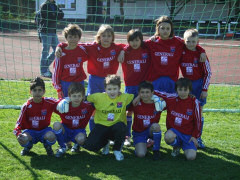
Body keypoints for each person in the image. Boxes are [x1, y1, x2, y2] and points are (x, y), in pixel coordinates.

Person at [55, 24, 124, 131]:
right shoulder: (91, 47)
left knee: (111, 105)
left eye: (109, 36)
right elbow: (73, 44)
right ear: (99, 37)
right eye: (103, 36)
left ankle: (109, 131)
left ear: (113, 38)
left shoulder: (117, 47)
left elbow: (127, 46)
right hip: (95, 80)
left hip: (110, 81)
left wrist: (123, 51)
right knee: (93, 107)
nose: (106, 38)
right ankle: (93, 132)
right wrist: (59, 46)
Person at [145, 16, 206, 93]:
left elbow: (191, 43)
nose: (165, 31)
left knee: (170, 103)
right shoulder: (152, 42)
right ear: (158, 29)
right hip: (155, 80)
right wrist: (124, 50)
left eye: (168, 28)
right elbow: (136, 44)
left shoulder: (178, 42)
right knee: (156, 103)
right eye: (162, 28)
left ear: (171, 29)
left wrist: (202, 51)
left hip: (172, 81)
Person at [82, 75, 134, 161]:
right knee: (89, 146)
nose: (112, 92)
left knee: (120, 126)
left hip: (116, 128)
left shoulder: (125, 97)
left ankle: (117, 150)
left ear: (119, 89)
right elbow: (83, 98)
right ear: (105, 89)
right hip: (101, 126)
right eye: (109, 89)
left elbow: (138, 97)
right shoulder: (98, 97)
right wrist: (67, 100)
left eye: (115, 89)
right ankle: (105, 142)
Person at [154, 78, 202, 160]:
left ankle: (185, 145)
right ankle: (176, 146)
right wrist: (149, 89)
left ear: (189, 90)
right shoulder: (171, 98)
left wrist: (195, 136)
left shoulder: (194, 102)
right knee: (168, 137)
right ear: (176, 90)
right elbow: (160, 94)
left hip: (188, 135)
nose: (182, 92)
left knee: (191, 157)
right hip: (175, 132)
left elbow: (198, 121)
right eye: (180, 89)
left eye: (185, 90)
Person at [180, 29, 212, 149]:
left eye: (193, 41)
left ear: (198, 41)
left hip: (198, 85)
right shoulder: (181, 50)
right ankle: (185, 136)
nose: (191, 44)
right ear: (184, 41)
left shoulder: (200, 54)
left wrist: (204, 89)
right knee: (186, 112)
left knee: (198, 112)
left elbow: (208, 73)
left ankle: (198, 137)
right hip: (186, 86)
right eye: (188, 41)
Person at [120, 29, 152, 146]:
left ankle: (146, 136)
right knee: (128, 112)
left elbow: (153, 41)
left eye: (137, 40)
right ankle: (126, 136)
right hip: (130, 86)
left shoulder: (146, 49)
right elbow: (116, 46)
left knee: (144, 111)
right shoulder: (125, 50)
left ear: (141, 40)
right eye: (132, 41)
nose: (134, 43)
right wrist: (123, 50)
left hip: (143, 86)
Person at [13, 77, 58, 156]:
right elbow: (19, 122)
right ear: (30, 92)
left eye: (40, 90)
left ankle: (47, 146)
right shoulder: (26, 106)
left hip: (44, 130)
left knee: (51, 136)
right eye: (34, 90)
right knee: (23, 138)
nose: (37, 93)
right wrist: (18, 133)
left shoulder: (49, 102)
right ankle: (28, 146)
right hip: (30, 131)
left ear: (44, 91)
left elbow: (61, 103)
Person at [53, 82, 94, 157]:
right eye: (74, 96)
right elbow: (49, 103)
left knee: (81, 139)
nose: (77, 98)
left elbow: (100, 103)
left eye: (79, 96)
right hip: (66, 130)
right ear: (69, 96)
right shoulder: (63, 105)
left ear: (83, 97)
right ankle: (63, 146)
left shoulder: (88, 107)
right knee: (56, 125)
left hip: (79, 131)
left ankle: (77, 145)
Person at [128, 81, 162, 160]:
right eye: (142, 92)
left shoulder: (158, 103)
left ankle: (156, 150)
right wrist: (137, 98)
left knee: (156, 126)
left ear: (152, 93)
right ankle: (144, 143)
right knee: (141, 154)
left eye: (147, 92)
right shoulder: (136, 103)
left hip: (150, 130)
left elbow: (172, 99)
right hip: (139, 133)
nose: (145, 94)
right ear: (139, 93)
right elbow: (126, 109)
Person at [52, 24, 88, 99]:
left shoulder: (82, 49)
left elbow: (93, 46)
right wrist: (58, 88)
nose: (73, 39)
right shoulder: (61, 53)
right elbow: (56, 71)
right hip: (66, 83)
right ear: (66, 38)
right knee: (66, 104)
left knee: (80, 102)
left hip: (79, 82)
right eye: (70, 37)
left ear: (79, 38)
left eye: (75, 37)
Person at [39, 0, 64, 78]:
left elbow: (61, 15)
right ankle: (43, 71)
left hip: (53, 31)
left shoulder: (55, 5)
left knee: (58, 50)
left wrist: (55, 14)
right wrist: (56, 15)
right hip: (45, 31)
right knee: (45, 51)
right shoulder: (44, 5)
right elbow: (49, 17)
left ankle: (44, 67)